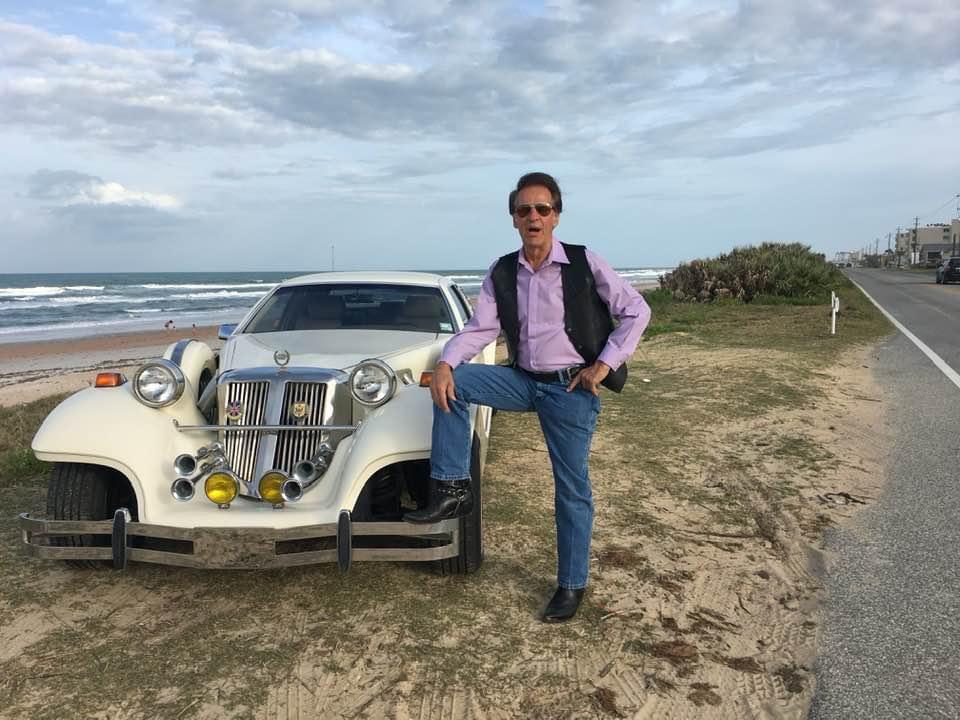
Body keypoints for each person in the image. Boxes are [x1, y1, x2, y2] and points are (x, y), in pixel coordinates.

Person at [405, 171, 651, 622]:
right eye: (524, 210)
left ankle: (571, 585)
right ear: (514, 218)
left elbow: (636, 310)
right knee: (454, 382)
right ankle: (454, 488)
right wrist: (445, 362)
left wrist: (604, 365)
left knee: (571, 488)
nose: (533, 216)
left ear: (556, 216)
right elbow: (481, 329)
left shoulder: (584, 262)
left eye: (542, 208)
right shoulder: (503, 271)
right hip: (521, 380)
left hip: (569, 388)